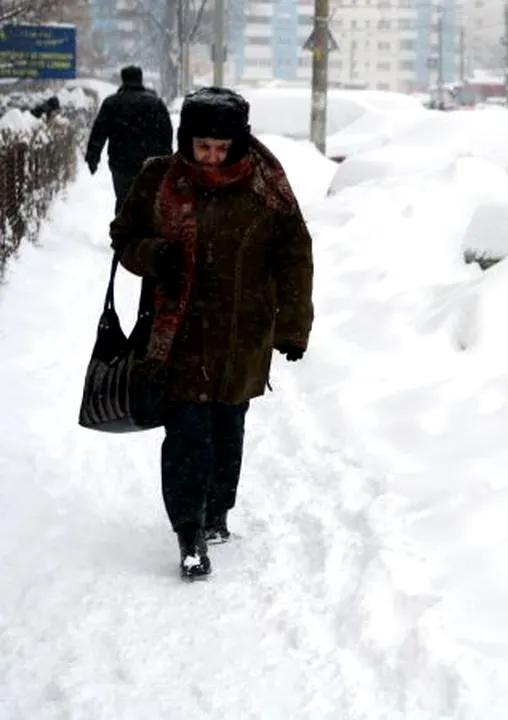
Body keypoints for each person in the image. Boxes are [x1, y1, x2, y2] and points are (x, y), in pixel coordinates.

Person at [109, 87, 314, 581]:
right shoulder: (159, 177)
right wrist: (154, 255)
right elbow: (125, 236)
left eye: (222, 148)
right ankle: (190, 531)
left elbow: (293, 256)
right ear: (187, 139)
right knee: (187, 433)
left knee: (227, 428)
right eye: (203, 146)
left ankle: (217, 512)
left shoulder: (267, 185)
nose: (212, 157)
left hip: (243, 334)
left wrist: (292, 327)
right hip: (178, 334)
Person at [85, 66, 174, 214]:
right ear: (141, 79)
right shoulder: (155, 103)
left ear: (123, 79)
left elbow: (99, 132)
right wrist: (167, 159)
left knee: (123, 197)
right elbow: (166, 133)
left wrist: (93, 157)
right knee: (148, 199)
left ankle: (123, 224)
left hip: (121, 162)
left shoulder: (112, 103)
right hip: (149, 162)